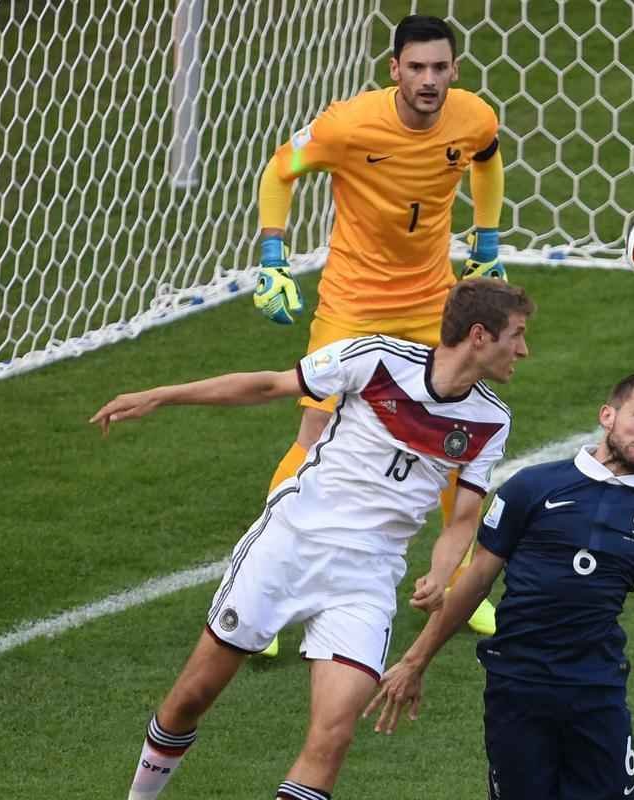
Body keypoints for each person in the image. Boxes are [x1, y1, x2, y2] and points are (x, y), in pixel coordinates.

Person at [92, 279, 534, 800]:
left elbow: (462, 519)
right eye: (517, 334)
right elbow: (269, 386)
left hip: (367, 578)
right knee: (192, 696)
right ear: (479, 336)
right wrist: (161, 395)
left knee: (333, 736)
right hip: (290, 546)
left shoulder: (491, 420)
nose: (523, 350)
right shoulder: (376, 359)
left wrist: (440, 574)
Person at [365, 368, 634, 799]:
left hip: (597, 696)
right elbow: (476, 583)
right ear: (607, 415)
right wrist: (415, 661)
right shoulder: (531, 488)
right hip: (517, 690)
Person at [253, 14, 506, 645]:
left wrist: (487, 240)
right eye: (416, 67)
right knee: (315, 433)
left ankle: (458, 583)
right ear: (394, 70)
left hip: (430, 305)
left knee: (453, 438)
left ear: (454, 69)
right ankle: (266, 587)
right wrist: (273, 257)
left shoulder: (473, 117)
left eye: (440, 67)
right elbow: (280, 169)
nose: (429, 80)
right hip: (353, 304)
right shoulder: (348, 125)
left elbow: (487, 158)